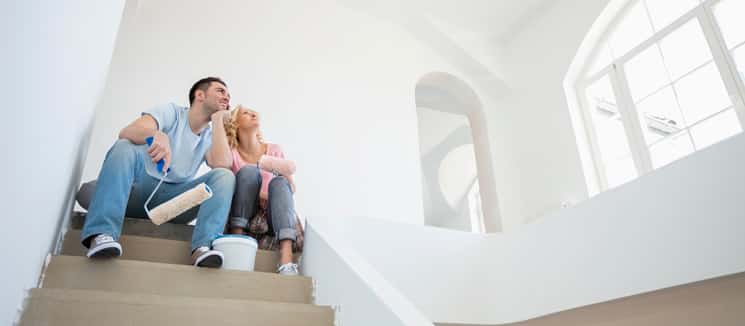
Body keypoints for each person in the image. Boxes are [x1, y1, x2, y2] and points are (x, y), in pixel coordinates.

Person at [79, 77, 235, 268]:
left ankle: (202, 248)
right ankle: (101, 235)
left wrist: (218, 120)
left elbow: (222, 164)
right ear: (200, 95)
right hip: (135, 192)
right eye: (220, 91)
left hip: (174, 205)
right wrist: (156, 135)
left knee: (225, 176)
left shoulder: (211, 136)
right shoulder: (172, 112)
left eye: (229, 95)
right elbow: (128, 131)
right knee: (124, 147)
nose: (227, 97)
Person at [223, 105, 303, 276]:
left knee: (280, 183)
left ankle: (286, 259)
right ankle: (237, 238)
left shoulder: (274, 150)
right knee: (248, 171)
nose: (253, 114)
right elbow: (229, 188)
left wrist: (281, 170)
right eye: (246, 113)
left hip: (273, 214)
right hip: (245, 210)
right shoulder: (231, 154)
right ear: (234, 123)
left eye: (254, 113)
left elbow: (291, 189)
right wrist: (261, 194)